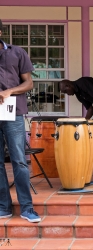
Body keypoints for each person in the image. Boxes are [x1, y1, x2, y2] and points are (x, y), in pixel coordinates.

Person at [0, 20, 41, 222]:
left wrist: (9, 91)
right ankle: (4, 207)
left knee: (18, 160)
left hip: (13, 112)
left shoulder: (17, 52)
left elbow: (29, 83)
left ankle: (27, 208)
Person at [59, 77, 93, 163]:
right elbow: (90, 109)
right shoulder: (78, 94)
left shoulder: (82, 83)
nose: (67, 94)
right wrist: (82, 123)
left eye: (66, 92)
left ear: (68, 85)